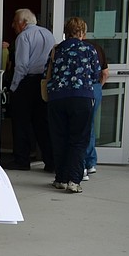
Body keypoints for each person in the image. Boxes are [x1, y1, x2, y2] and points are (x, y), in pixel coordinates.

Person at [45, 17, 100, 193]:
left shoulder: (57, 50)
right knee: (79, 139)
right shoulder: (89, 49)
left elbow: (48, 71)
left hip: (57, 98)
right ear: (82, 32)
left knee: (59, 138)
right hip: (81, 97)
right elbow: (95, 74)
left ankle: (60, 178)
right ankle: (74, 181)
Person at [6, 8, 55, 171]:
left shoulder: (23, 37)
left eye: (15, 22)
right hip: (44, 81)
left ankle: (22, 159)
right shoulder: (48, 34)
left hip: (27, 82)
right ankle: (50, 161)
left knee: (21, 123)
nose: (13, 25)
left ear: (23, 22)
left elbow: (22, 65)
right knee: (43, 123)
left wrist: (14, 87)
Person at [84, 41, 109, 178]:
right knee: (90, 125)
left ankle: (82, 163)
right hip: (95, 88)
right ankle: (91, 162)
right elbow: (105, 73)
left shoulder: (69, 49)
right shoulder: (97, 48)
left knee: (80, 128)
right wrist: (99, 87)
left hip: (81, 90)